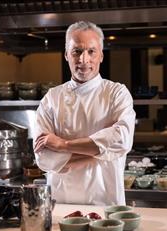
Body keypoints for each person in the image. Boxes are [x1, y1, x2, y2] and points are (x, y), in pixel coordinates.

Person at [33, 21, 135, 206]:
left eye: (91, 51)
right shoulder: (52, 98)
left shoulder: (116, 93)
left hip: (106, 204)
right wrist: (100, 152)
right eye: (77, 51)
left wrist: (63, 145)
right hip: (61, 204)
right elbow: (44, 158)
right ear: (66, 55)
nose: (83, 59)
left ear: (101, 56)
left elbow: (122, 140)